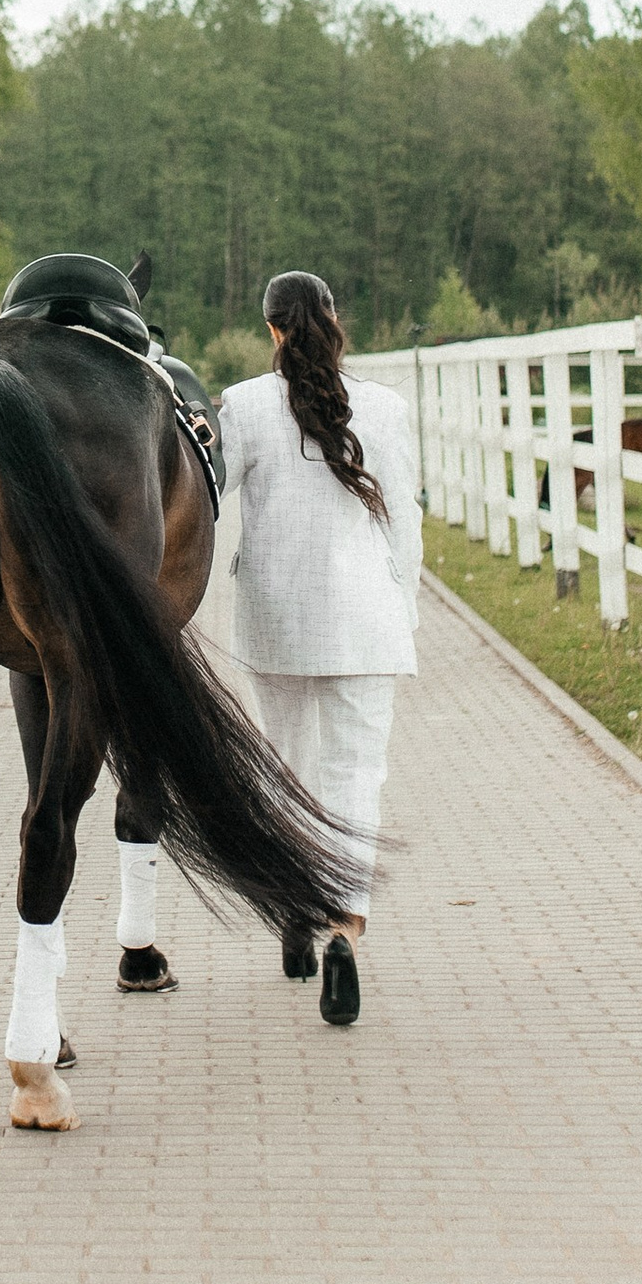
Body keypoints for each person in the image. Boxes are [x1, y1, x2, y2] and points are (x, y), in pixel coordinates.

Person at [219, 269, 421, 1029]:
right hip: (368, 623)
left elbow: (206, 505)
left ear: (271, 329)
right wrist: (405, 609)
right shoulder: (386, 408)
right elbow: (404, 521)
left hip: (279, 622)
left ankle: (294, 908)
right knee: (355, 778)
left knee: (287, 771)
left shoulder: (242, 407)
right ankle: (344, 931)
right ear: (335, 319)